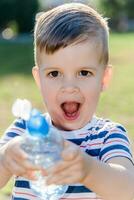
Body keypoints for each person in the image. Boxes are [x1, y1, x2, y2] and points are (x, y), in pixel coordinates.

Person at [0, 3, 134, 200]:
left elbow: (128, 189)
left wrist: (88, 170)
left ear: (104, 79)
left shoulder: (107, 137)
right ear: (39, 80)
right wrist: (5, 161)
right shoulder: (24, 132)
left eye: (84, 72)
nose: (69, 86)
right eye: (54, 73)